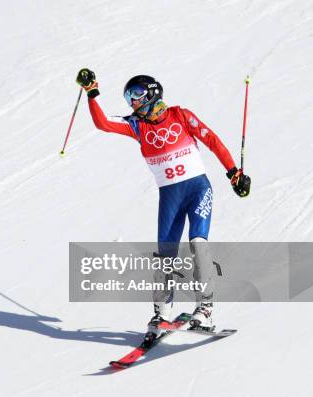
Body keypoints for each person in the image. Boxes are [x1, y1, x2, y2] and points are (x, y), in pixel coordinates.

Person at [75, 69, 251, 335]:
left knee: (197, 244)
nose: (132, 101)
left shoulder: (180, 115)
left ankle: (204, 309)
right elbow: (103, 123)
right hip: (170, 196)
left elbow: (211, 140)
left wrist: (233, 173)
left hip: (197, 189)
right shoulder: (137, 125)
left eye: (136, 94)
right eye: (128, 97)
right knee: (164, 258)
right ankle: (161, 314)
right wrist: (92, 91)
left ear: (152, 92)